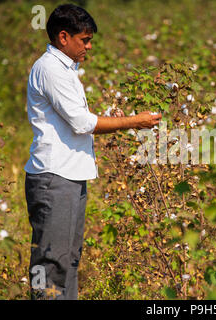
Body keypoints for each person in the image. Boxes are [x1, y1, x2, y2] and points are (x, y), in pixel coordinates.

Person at [24, 3, 161, 300]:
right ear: (63, 37)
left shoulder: (65, 69)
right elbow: (82, 122)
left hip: (69, 178)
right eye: (84, 40)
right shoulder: (50, 69)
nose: (88, 47)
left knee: (69, 261)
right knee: (51, 265)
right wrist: (135, 122)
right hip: (53, 178)